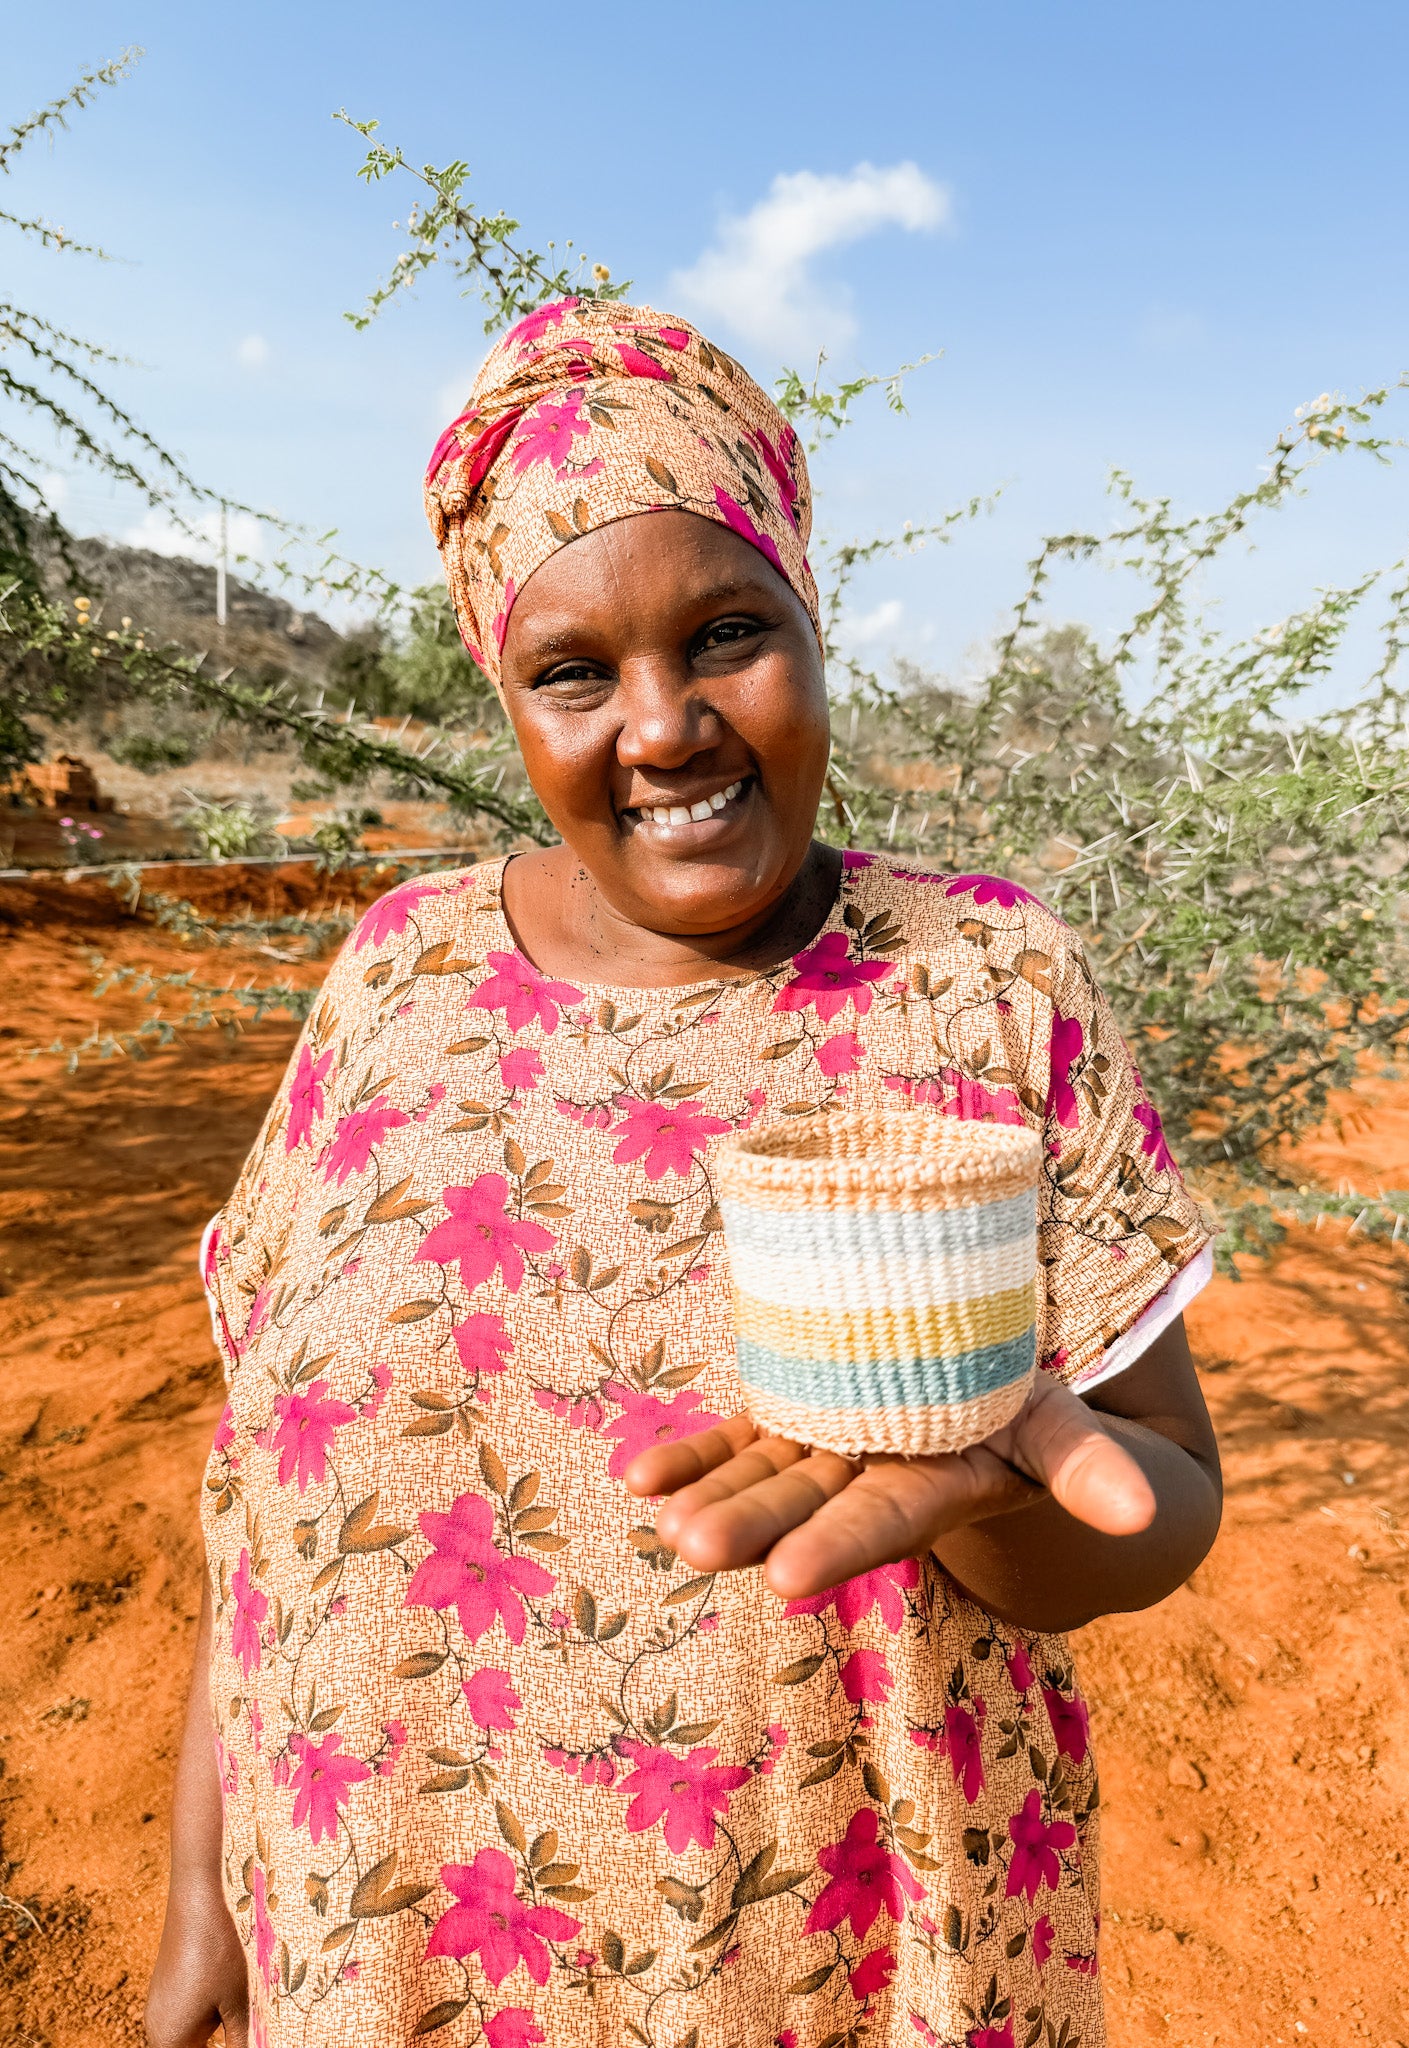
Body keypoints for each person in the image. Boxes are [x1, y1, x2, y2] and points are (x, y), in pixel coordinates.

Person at [145, 299, 1221, 2048]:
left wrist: (1006, 1480)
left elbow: (1161, 1491)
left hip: (827, 1970)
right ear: (508, 696)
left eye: (729, 636)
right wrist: (205, 1891)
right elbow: (259, 1489)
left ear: (816, 621)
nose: (664, 729)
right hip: (392, 1947)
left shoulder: (984, 981)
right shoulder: (396, 977)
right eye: (574, 672)